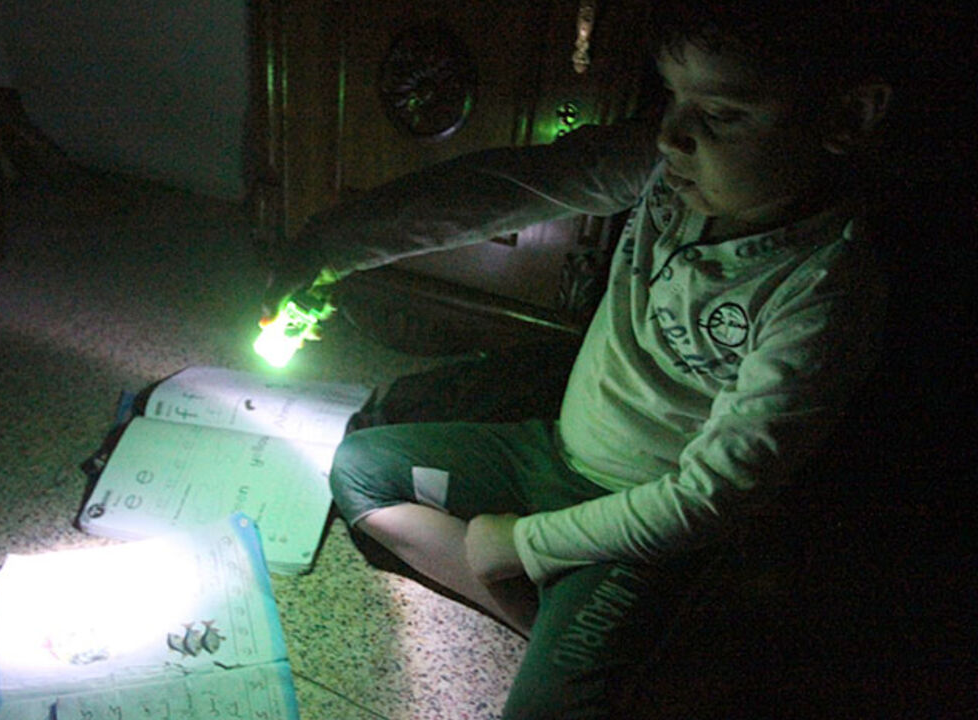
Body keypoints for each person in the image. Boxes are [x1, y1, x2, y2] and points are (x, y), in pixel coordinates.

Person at [261, 1, 898, 716]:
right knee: (359, 468)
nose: (671, 136)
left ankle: (600, 634)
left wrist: (520, 541)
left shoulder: (823, 294)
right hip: (554, 451)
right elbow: (508, 187)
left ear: (849, 118)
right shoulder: (664, 174)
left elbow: (708, 498)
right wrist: (331, 244)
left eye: (721, 114)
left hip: (645, 520)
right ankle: (557, 628)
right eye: (672, 98)